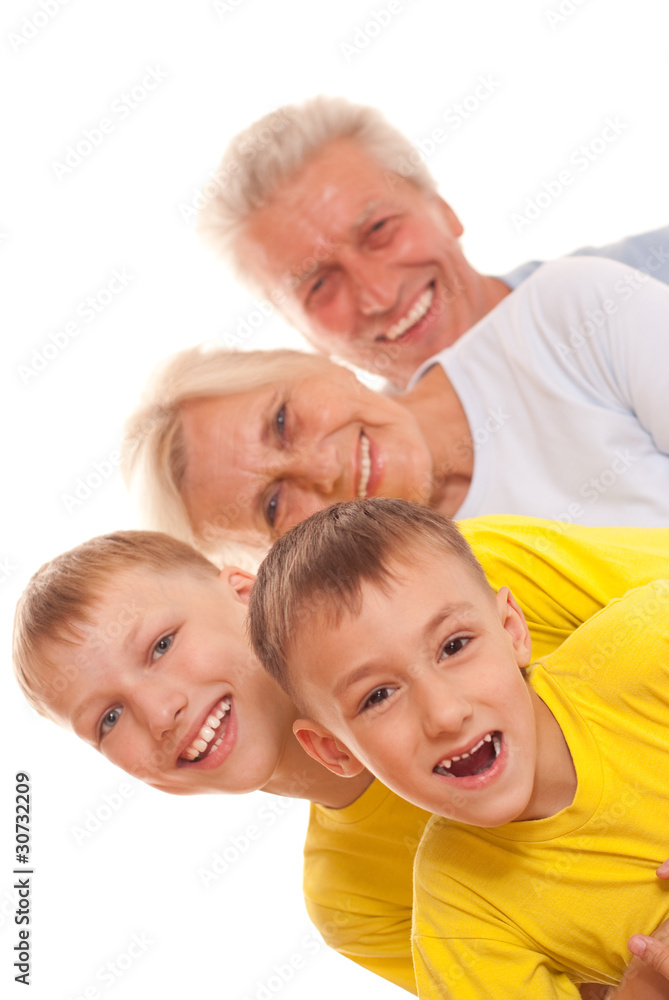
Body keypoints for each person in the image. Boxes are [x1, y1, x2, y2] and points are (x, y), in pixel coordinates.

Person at [14, 518, 669, 996]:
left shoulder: (441, 574)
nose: (158, 713)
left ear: (241, 592)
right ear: (327, 746)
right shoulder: (363, 899)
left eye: (160, 646)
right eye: (106, 719)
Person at [248, 497, 669, 999]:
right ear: (334, 750)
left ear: (511, 629)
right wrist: (650, 980)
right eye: (378, 696)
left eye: (454, 646)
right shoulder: (458, 910)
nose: (445, 714)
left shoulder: (648, 646)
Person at [123, 254, 669, 554]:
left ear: (312, 361)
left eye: (283, 422)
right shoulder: (422, 631)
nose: (322, 468)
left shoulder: (564, 317)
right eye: (273, 506)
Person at [197, 95, 669, 388]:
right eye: (319, 284)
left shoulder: (648, 283)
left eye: (379, 229)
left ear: (444, 209)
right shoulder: (386, 523)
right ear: (301, 332)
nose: (378, 294)